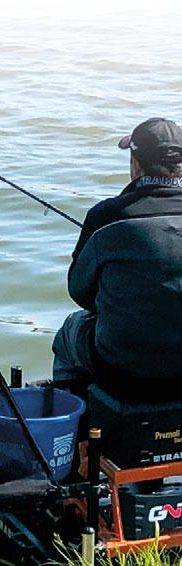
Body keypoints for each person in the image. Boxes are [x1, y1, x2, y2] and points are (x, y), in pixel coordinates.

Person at [52, 117, 182, 397]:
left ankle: (74, 417)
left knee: (70, 330)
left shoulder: (106, 215)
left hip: (123, 373)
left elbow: (80, 293)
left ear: (135, 165)